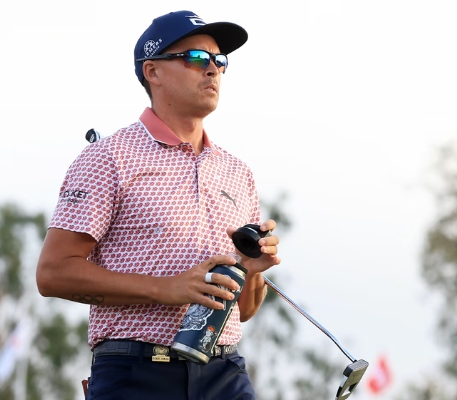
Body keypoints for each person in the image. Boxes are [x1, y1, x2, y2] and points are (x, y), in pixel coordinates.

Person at [36, 10, 281, 400]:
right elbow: (52, 273)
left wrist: (251, 270)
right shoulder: (109, 157)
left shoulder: (238, 172)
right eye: (197, 58)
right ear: (153, 71)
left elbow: (245, 310)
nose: (213, 70)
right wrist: (167, 288)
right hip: (136, 372)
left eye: (220, 61)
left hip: (225, 372)